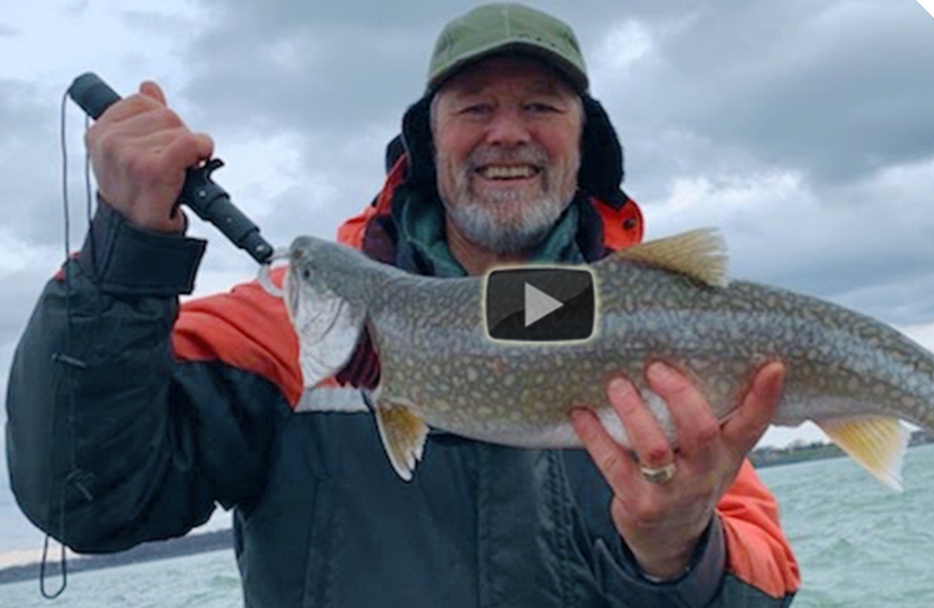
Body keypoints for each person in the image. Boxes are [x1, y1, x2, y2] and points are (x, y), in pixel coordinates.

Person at [7, 4, 799, 607]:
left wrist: (679, 551)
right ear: (428, 139)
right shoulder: (287, 315)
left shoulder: (666, 326)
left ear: (586, 141)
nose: (507, 133)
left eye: (543, 106)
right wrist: (125, 257)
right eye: (475, 107)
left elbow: (771, 580)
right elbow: (87, 496)